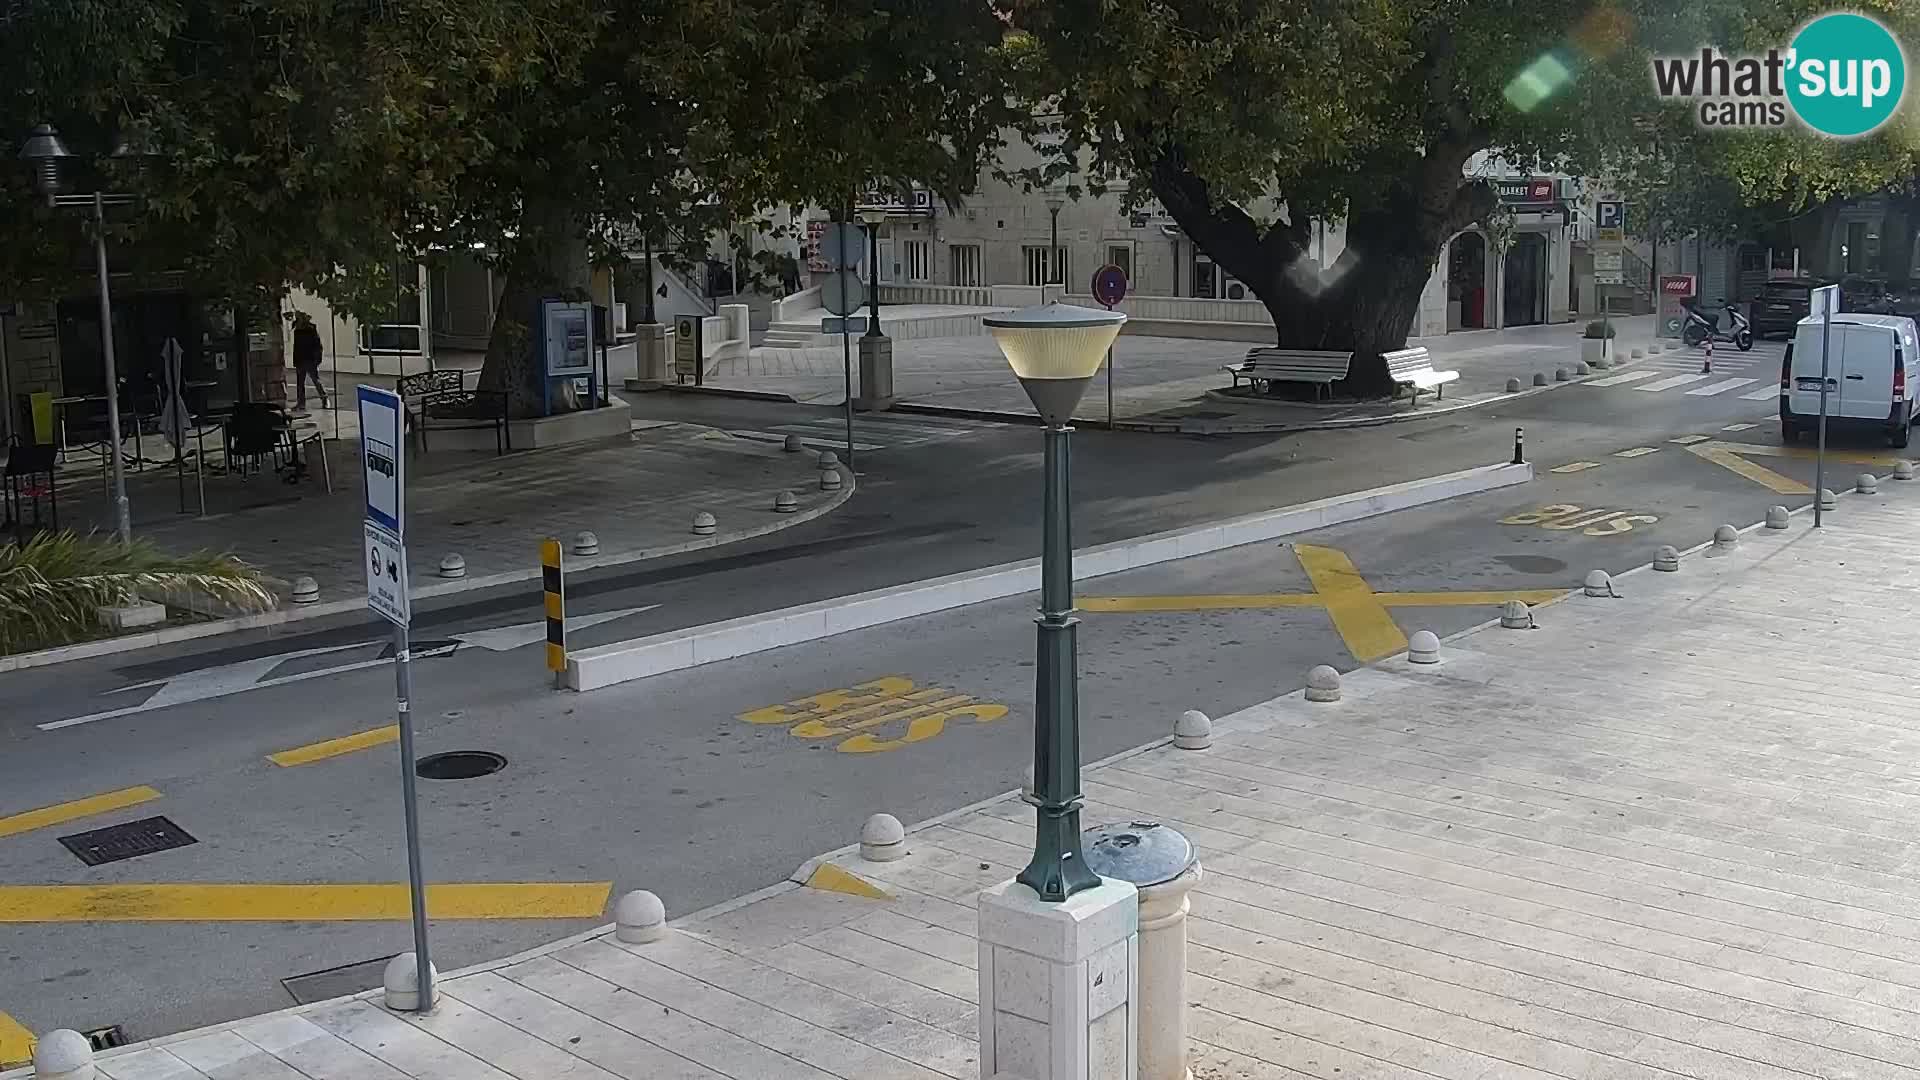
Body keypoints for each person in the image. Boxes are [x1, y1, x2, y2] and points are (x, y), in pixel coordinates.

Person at [291, 314, 327, 413]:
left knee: (316, 380)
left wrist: (317, 359)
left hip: (310, 360)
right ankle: (301, 403)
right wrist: (295, 361)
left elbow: (318, 345)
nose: (297, 323)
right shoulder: (297, 331)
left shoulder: (311, 331)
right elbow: (296, 348)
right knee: (300, 384)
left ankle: (324, 399)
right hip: (300, 360)